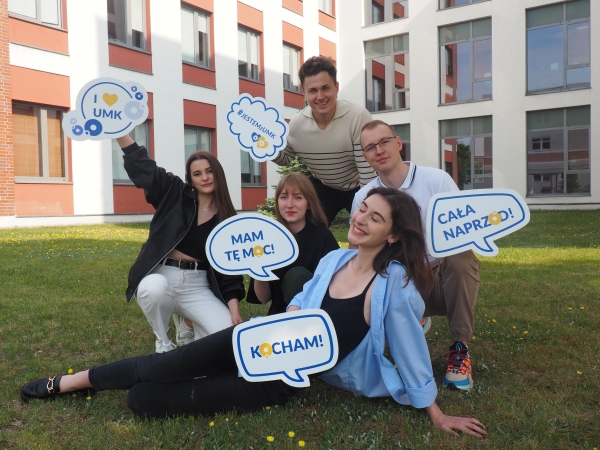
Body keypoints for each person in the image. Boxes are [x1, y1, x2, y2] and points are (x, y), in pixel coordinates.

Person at [20, 188, 486, 439]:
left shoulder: (394, 285)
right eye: (362, 210)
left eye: (375, 218)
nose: (361, 219)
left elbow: (409, 347)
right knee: (162, 365)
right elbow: (303, 303)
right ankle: (70, 382)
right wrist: (291, 307)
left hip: (281, 379)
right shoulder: (334, 259)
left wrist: (436, 412)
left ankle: (187, 380)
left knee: (143, 401)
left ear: (393, 236)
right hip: (257, 339)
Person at [351, 120, 482, 391]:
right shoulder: (364, 196)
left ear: (398, 143)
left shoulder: (436, 180)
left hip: (438, 275)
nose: (379, 150)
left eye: (384, 142)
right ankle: (409, 318)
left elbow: (463, 230)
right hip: (396, 280)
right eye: (371, 147)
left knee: (461, 255)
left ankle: (460, 349)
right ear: (365, 156)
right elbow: (358, 250)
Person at [115, 135, 245, 353]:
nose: (205, 178)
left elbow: (229, 272)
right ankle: (164, 341)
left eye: (209, 171)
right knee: (153, 288)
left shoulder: (228, 220)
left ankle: (188, 323)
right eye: (197, 174)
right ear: (190, 179)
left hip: (198, 286)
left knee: (228, 339)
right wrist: (119, 132)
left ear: (218, 174)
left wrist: (234, 311)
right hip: (163, 276)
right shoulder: (173, 193)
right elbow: (144, 169)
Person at [272, 56, 376, 225]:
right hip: (323, 186)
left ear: (336, 87)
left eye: (325, 88)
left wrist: (366, 211)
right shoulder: (297, 125)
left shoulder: (358, 117)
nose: (320, 96)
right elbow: (285, 159)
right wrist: (263, 146)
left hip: (358, 184)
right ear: (303, 91)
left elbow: (367, 174)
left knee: (370, 229)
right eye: (313, 90)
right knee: (307, 230)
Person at [246, 173, 339, 314]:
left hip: (314, 315)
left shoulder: (323, 237)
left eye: (298, 197)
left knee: (296, 275)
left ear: (309, 203)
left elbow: (337, 286)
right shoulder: (267, 239)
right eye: (283, 197)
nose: (289, 204)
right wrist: (259, 268)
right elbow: (263, 298)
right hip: (279, 316)